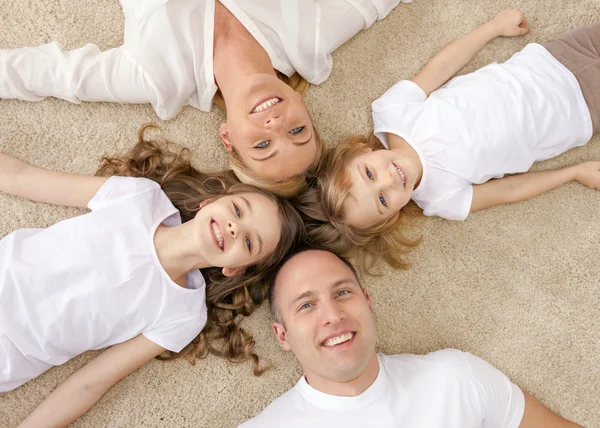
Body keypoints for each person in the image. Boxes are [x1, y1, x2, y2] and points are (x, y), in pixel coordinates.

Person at [0, 126, 305, 427]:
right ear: (210, 202)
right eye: (238, 210)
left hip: (11, 352)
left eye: (249, 242)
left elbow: (90, 382)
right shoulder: (140, 198)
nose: (235, 228)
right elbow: (24, 178)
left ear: (235, 269)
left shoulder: (184, 314)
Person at [0, 0, 411, 195]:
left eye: (264, 145)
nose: (276, 125)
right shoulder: (312, 39)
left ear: (228, 138)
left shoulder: (160, 78)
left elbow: (53, 75)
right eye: (298, 131)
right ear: (303, 106)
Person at [306, 8, 600, 267]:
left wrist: (493, 28)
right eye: (383, 199)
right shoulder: (442, 198)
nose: (388, 180)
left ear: (359, 152)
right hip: (580, 114)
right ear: (391, 216)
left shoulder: (392, 114)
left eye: (369, 173)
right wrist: (573, 172)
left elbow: (443, 66)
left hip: (550, 60)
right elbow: (510, 189)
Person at [240, 248, 582, 427]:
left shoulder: (455, 378)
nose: (332, 315)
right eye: (306, 305)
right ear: (282, 335)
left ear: (368, 303)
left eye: (343, 292)